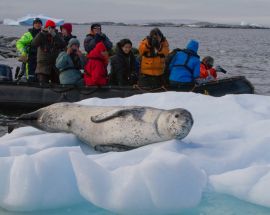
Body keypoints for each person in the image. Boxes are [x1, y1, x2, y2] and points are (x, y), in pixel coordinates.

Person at [31, 19, 66, 84]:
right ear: (46, 27)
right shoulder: (41, 35)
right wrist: (42, 33)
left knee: (56, 85)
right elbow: (33, 44)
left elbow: (63, 45)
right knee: (43, 86)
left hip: (54, 67)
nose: (51, 29)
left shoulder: (57, 35)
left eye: (53, 27)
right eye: (49, 27)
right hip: (43, 67)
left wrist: (54, 35)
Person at [16, 17, 43, 82]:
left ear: (41, 25)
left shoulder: (43, 34)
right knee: (30, 77)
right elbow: (19, 43)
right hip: (30, 59)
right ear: (33, 24)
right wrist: (23, 52)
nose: (37, 25)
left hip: (40, 60)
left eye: (39, 23)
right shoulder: (28, 35)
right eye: (36, 23)